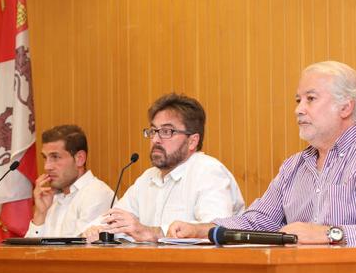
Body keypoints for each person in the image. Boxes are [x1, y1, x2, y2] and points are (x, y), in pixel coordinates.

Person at [167, 61, 356, 246]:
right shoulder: (294, 166)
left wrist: (328, 235)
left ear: (346, 107)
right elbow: (260, 221)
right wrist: (205, 229)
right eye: (297, 100)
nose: (298, 110)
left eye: (310, 99)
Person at [82, 93, 245, 242]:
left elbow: (214, 231)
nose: (156, 140)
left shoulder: (209, 172)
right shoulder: (147, 178)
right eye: (153, 131)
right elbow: (116, 218)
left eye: (167, 131)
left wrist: (151, 232)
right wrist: (99, 229)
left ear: (192, 141)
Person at [25, 125, 114, 237]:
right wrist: (40, 214)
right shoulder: (51, 198)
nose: (47, 166)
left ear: (79, 159)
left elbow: (78, 250)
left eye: (55, 157)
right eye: (45, 158)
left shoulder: (97, 194)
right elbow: (28, 252)